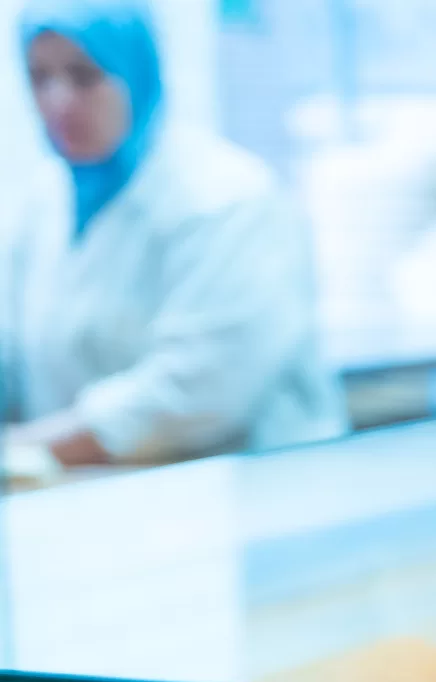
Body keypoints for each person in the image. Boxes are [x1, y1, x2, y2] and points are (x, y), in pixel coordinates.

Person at [1, 1, 340, 469]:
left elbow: (201, 389)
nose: (59, 100)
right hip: (98, 503)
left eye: (85, 76)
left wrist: (30, 446)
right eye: (39, 78)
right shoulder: (44, 203)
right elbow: (16, 358)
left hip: (241, 499)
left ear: (137, 73)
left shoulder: (227, 197)